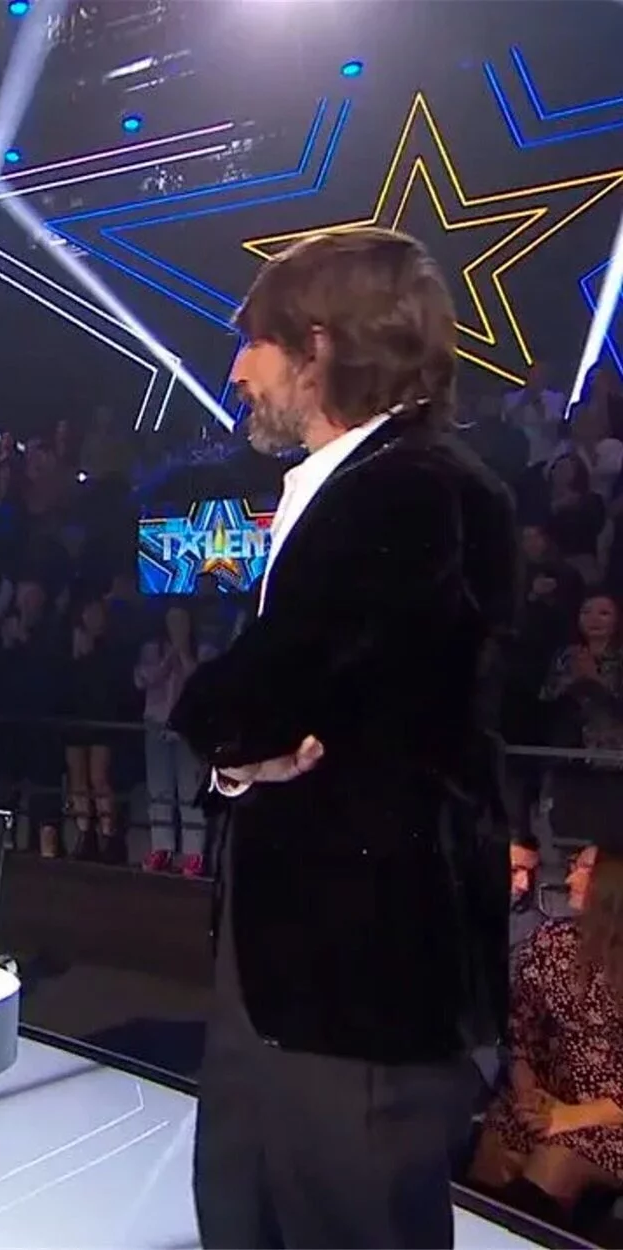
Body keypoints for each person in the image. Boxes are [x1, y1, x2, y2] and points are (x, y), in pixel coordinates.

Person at [169, 229, 518, 1248]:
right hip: (284, 970)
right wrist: (246, 755)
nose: (237, 372)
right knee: (246, 1210)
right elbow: (263, 717)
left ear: (316, 346)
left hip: (358, 980)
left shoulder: (413, 489)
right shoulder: (349, 483)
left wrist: (229, 730)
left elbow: (246, 700)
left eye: (253, 344)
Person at [470, 844, 623, 1228]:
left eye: (584, 869)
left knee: (557, 1158)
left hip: (609, 1119)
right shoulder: (551, 941)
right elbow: (522, 1029)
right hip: (548, 1100)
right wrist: (526, 1092)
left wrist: (568, 1118)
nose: (569, 878)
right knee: (501, 1135)